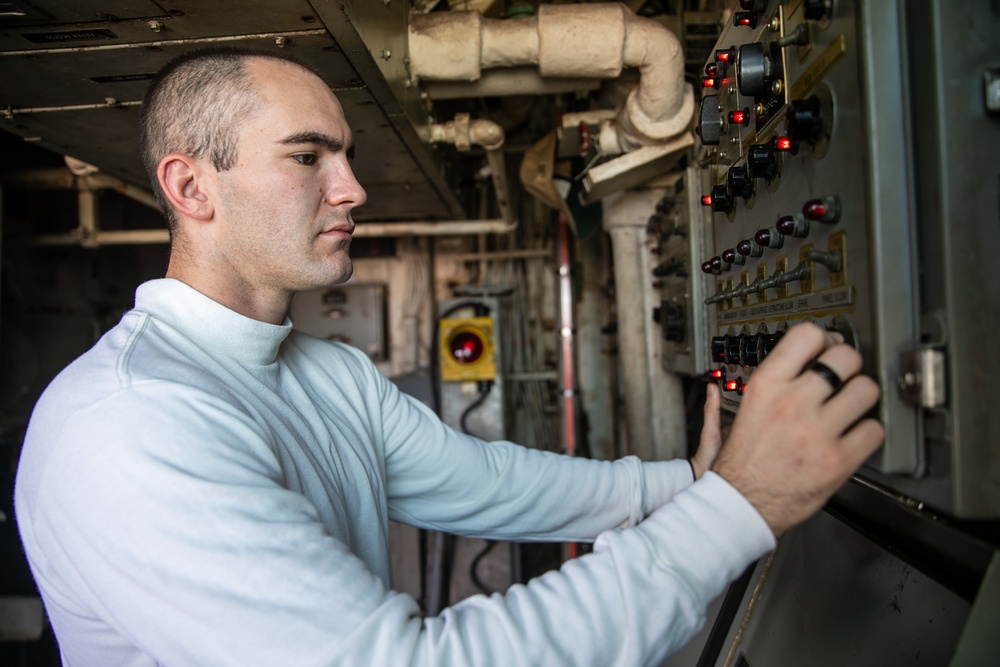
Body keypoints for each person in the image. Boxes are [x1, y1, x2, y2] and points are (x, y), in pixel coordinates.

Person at [14, 47, 883, 666]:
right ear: (190, 186)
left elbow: (491, 482)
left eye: (346, 155)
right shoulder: (128, 425)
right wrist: (737, 509)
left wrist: (691, 484)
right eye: (308, 156)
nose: (352, 188)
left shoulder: (325, 374)